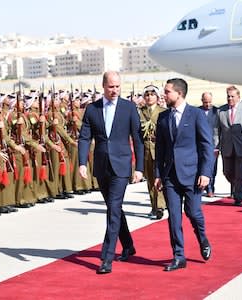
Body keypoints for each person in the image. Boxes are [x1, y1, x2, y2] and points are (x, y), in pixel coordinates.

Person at [78, 71, 144, 274]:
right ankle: (128, 245)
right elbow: (84, 138)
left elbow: (138, 139)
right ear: (103, 86)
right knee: (114, 208)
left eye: (117, 86)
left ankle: (106, 257)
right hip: (102, 166)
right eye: (111, 87)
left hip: (122, 166)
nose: (114, 90)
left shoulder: (129, 107)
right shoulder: (92, 109)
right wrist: (82, 163)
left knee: (113, 208)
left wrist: (139, 167)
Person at [154, 78, 213, 271]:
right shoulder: (163, 117)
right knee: (174, 217)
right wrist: (158, 175)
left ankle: (202, 239)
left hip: (193, 174)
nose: (164, 95)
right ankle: (179, 256)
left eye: (167, 91)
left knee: (193, 213)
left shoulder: (195, 114)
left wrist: (206, 173)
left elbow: (206, 146)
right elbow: (160, 149)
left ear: (179, 93)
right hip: (170, 175)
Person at [215, 86, 242, 206]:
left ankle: (238, 197)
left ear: (238, 97)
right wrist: (216, 147)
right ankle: (236, 185)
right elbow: (217, 130)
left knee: (240, 173)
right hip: (227, 147)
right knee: (227, 172)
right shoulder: (221, 111)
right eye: (228, 96)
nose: (230, 98)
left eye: (232, 96)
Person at [138, 85, 167, 220]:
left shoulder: (163, 111)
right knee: (149, 179)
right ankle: (154, 206)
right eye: (147, 95)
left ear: (157, 97)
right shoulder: (140, 112)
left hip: (159, 149)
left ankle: (161, 206)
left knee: (159, 178)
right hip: (146, 149)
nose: (149, 97)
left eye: (152, 95)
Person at [199, 92, 219, 197]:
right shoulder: (197, 111)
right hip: (200, 145)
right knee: (200, 166)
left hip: (213, 145)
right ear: (201, 101)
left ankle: (211, 188)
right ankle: (201, 187)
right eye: (205, 102)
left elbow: (218, 131)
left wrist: (217, 147)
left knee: (212, 168)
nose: (207, 104)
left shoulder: (217, 111)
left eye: (209, 102)